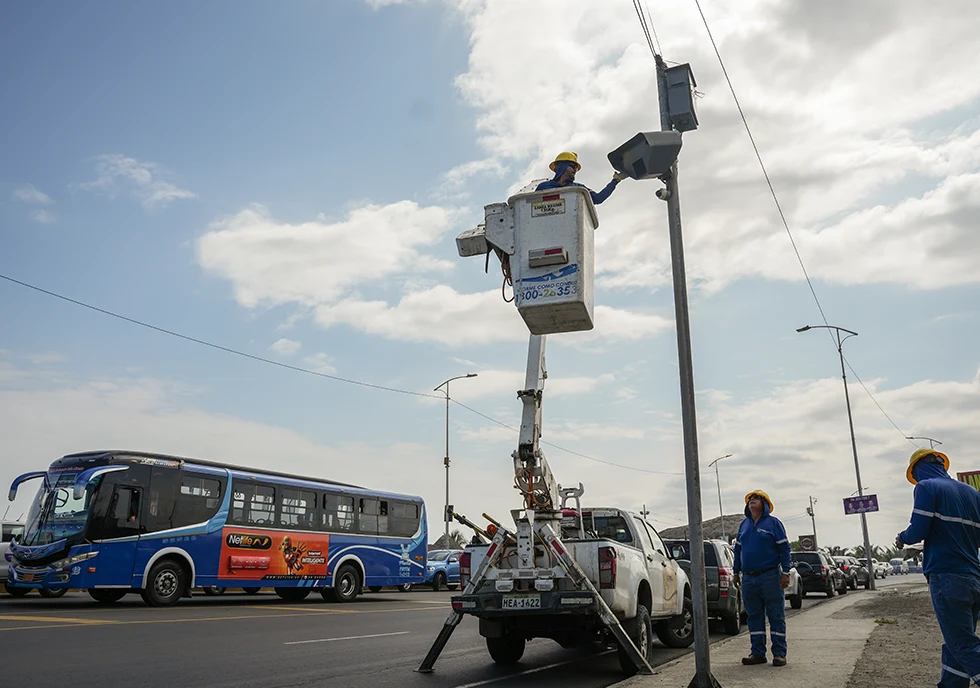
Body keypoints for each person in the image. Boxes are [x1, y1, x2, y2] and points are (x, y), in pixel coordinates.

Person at [896, 448, 980, 688]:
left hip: (947, 576)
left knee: (963, 644)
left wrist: (902, 537)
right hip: (974, 578)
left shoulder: (926, 487)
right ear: (942, 464)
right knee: (958, 641)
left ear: (917, 469)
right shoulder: (973, 493)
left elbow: (918, 530)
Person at [733, 490, 792, 667]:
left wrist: (786, 572)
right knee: (753, 616)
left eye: (756, 498)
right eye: (750, 499)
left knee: (776, 615)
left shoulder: (774, 524)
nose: (752, 501)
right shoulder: (744, 525)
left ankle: (779, 653)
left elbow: (784, 549)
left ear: (765, 504)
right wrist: (736, 572)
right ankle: (757, 653)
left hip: (770, 576)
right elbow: (738, 551)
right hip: (749, 579)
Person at [536, 151, 625, 204]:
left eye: (576, 168)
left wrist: (615, 180)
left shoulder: (579, 189)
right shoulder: (543, 187)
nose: (575, 170)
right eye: (572, 166)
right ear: (561, 166)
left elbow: (598, 198)